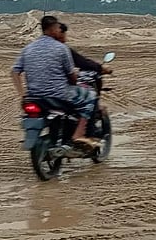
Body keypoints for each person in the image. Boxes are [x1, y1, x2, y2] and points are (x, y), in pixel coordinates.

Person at [12, 15, 99, 148]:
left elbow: (14, 72)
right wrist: (75, 82)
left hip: (33, 97)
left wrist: (22, 94)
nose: (60, 31)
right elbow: (71, 76)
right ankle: (79, 135)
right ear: (52, 30)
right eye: (58, 28)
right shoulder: (61, 48)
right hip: (58, 95)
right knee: (91, 96)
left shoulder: (28, 48)